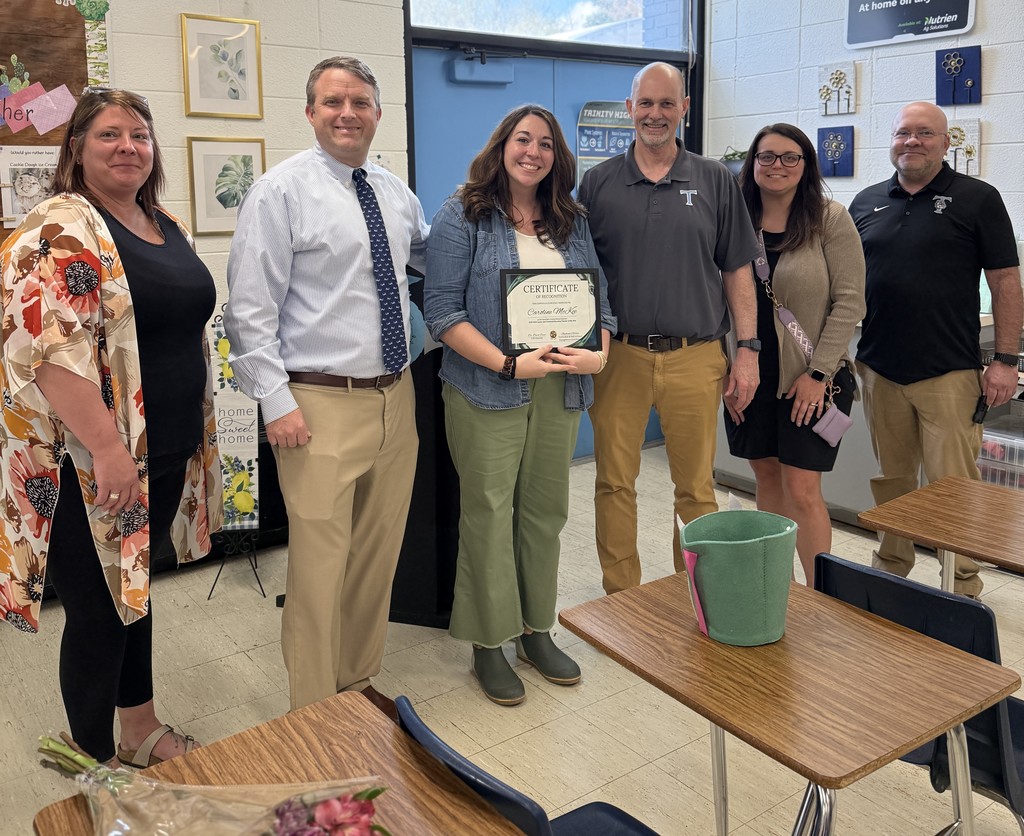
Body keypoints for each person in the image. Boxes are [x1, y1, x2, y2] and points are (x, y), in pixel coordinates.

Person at [0, 89, 223, 766]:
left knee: (134, 593)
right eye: (109, 134)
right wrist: (106, 448)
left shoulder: (162, 222)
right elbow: (46, 350)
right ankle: (91, 766)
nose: (128, 146)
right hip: (88, 461)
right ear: (76, 149)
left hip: (164, 447)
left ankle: (139, 731)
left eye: (140, 135)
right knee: (99, 614)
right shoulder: (59, 227)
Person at [224, 57, 428, 716]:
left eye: (360, 102)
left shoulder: (394, 193)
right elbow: (247, 309)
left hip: (395, 395)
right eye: (334, 102)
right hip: (316, 403)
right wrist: (275, 400)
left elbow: (429, 260)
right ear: (311, 112)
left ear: (378, 113)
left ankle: (358, 684)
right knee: (318, 566)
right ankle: (313, 712)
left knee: (376, 556)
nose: (348, 113)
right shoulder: (279, 192)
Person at [424, 105, 615, 706]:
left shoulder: (570, 220)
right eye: (523, 139)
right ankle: (489, 641)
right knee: (488, 511)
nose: (533, 152)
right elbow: (442, 312)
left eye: (546, 144)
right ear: (501, 145)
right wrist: (507, 364)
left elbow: (601, 307)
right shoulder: (463, 214)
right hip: (487, 386)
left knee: (544, 512)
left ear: (558, 156)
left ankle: (536, 631)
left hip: (560, 387)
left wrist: (599, 356)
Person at [578, 61, 760, 595]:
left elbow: (738, 270)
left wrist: (747, 350)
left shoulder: (714, 180)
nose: (655, 114)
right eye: (645, 103)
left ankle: (694, 596)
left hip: (696, 355)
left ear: (684, 108)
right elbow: (578, 270)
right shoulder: (598, 183)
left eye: (666, 103)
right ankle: (623, 598)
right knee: (614, 482)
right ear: (630, 108)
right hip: (620, 357)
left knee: (696, 488)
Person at [850, 101, 1023, 596]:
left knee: (954, 485)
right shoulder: (865, 202)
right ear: (891, 141)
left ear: (946, 143)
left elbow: (1006, 282)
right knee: (892, 478)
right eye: (903, 133)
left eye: (925, 133)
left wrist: (1005, 361)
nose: (913, 141)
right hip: (879, 367)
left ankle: (962, 584)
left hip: (948, 370)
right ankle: (891, 566)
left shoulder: (978, 199)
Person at [723, 124, 865, 586]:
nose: (777, 166)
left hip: (813, 377)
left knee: (802, 489)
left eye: (790, 157)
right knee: (766, 477)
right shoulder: (734, 219)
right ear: (753, 163)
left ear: (806, 165)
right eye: (766, 156)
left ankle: (819, 595)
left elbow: (850, 303)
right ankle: (777, 587)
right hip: (749, 374)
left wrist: (818, 374)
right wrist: (727, 368)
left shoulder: (829, 219)